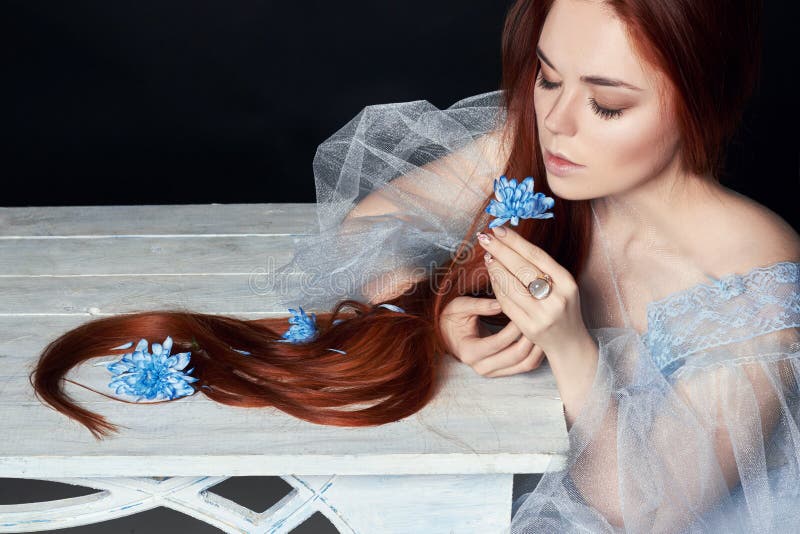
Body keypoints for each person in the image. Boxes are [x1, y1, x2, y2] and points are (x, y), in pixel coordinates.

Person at [30, 0, 799, 531]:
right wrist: (436, 309)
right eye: (548, 76)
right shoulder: (529, 149)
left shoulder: (754, 269)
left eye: (608, 105)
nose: (557, 122)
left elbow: (643, 513)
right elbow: (369, 226)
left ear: (700, 101)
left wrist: (571, 350)